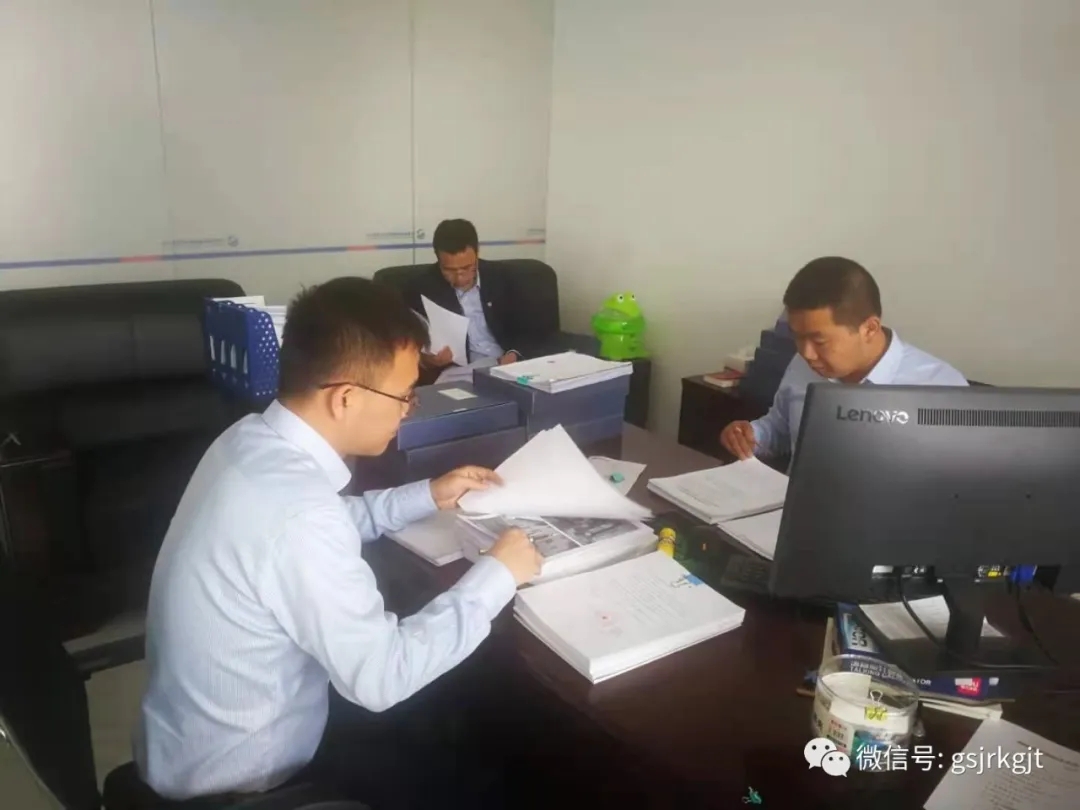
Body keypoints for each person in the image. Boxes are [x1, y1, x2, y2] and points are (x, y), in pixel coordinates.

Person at [134, 277, 543, 807]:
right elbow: (380, 678)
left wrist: (428, 494)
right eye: (405, 394)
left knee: (449, 706)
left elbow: (328, 521)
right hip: (246, 779)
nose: (408, 408)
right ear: (346, 398)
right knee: (488, 774)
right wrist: (498, 574)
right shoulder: (300, 512)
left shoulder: (248, 442)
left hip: (191, 740)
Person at [721, 257, 967, 461]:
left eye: (819, 341)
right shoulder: (802, 364)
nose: (806, 353)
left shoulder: (942, 388)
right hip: (796, 502)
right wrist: (752, 435)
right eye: (798, 337)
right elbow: (780, 429)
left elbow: (958, 484)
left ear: (869, 328)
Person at [411, 219, 553, 381]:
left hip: (507, 363)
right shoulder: (423, 288)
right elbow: (412, 346)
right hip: (462, 372)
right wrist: (429, 361)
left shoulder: (502, 277)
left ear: (477, 253)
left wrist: (514, 353)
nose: (459, 277)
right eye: (449, 270)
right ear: (438, 259)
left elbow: (529, 329)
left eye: (466, 267)